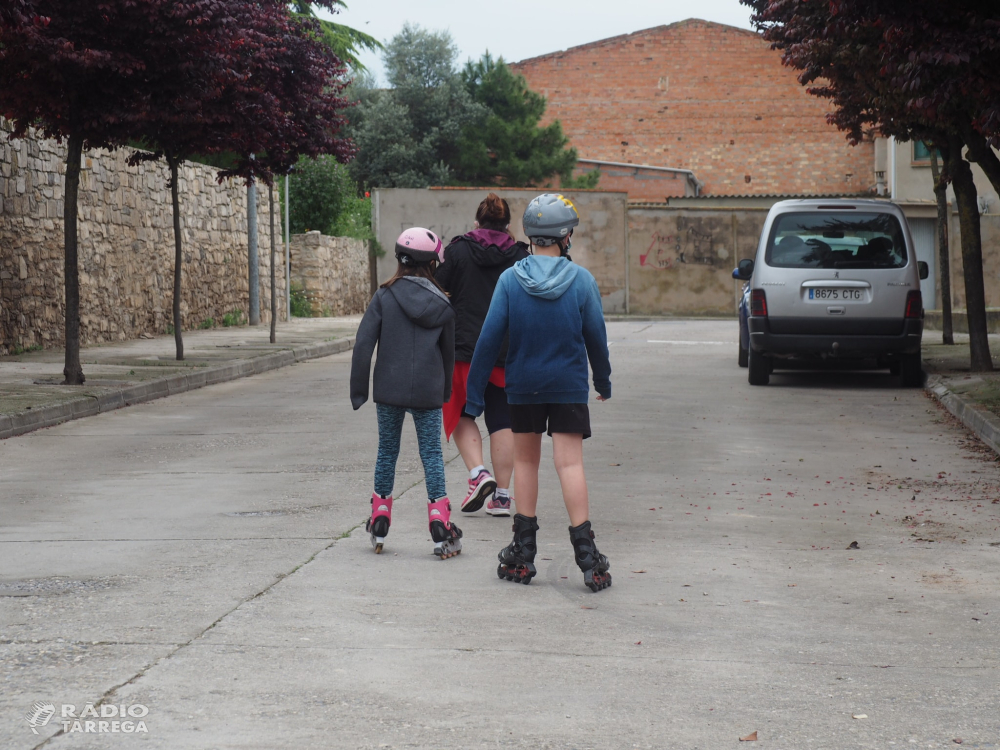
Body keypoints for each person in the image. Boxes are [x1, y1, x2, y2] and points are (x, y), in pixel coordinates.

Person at [465, 194, 613, 592]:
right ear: (565, 237)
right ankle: (586, 553)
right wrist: (603, 381)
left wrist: (473, 396)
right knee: (570, 464)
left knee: (526, 465)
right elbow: (596, 338)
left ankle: (523, 550)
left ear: (531, 235)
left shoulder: (511, 281)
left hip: (523, 384)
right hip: (567, 386)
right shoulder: (581, 281)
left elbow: (488, 339)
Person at [350, 228, 463, 559]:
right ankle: (440, 521)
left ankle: (380, 516)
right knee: (431, 454)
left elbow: (363, 344)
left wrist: (359, 391)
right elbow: (448, 354)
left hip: (389, 387)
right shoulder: (443, 304)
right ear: (432, 263)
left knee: (388, 450)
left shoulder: (384, 296)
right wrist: (444, 391)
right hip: (428, 390)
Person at [436, 193, 530, 517]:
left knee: (462, 414)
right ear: (507, 226)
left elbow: (437, 289)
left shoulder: (458, 250)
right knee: (503, 420)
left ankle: (478, 473)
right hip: (506, 351)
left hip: (465, 350)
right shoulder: (520, 255)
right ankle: (502, 497)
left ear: (477, 223)